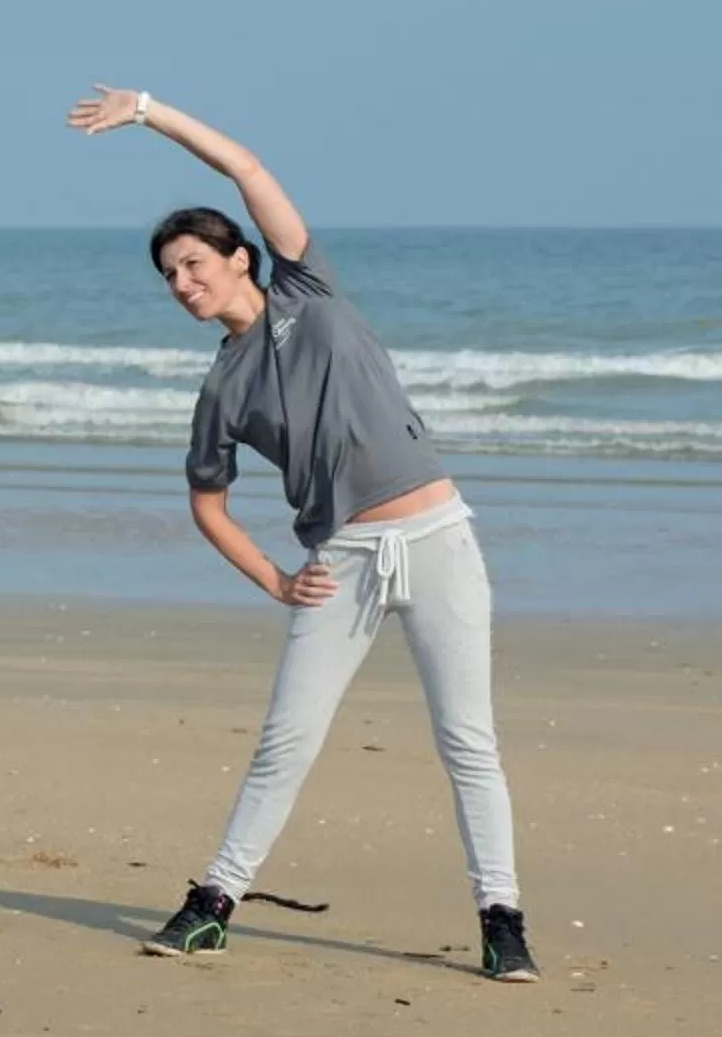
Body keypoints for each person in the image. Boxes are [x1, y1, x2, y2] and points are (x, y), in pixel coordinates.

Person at [68, 85, 536, 981]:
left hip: (438, 536)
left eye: (194, 263)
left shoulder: (306, 290)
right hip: (342, 561)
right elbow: (207, 503)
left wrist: (149, 112)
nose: (183, 283)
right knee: (286, 743)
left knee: (468, 743)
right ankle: (214, 905)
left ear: (239, 258)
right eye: (169, 276)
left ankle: (502, 920)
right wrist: (277, 580)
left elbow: (244, 167)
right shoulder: (221, 390)